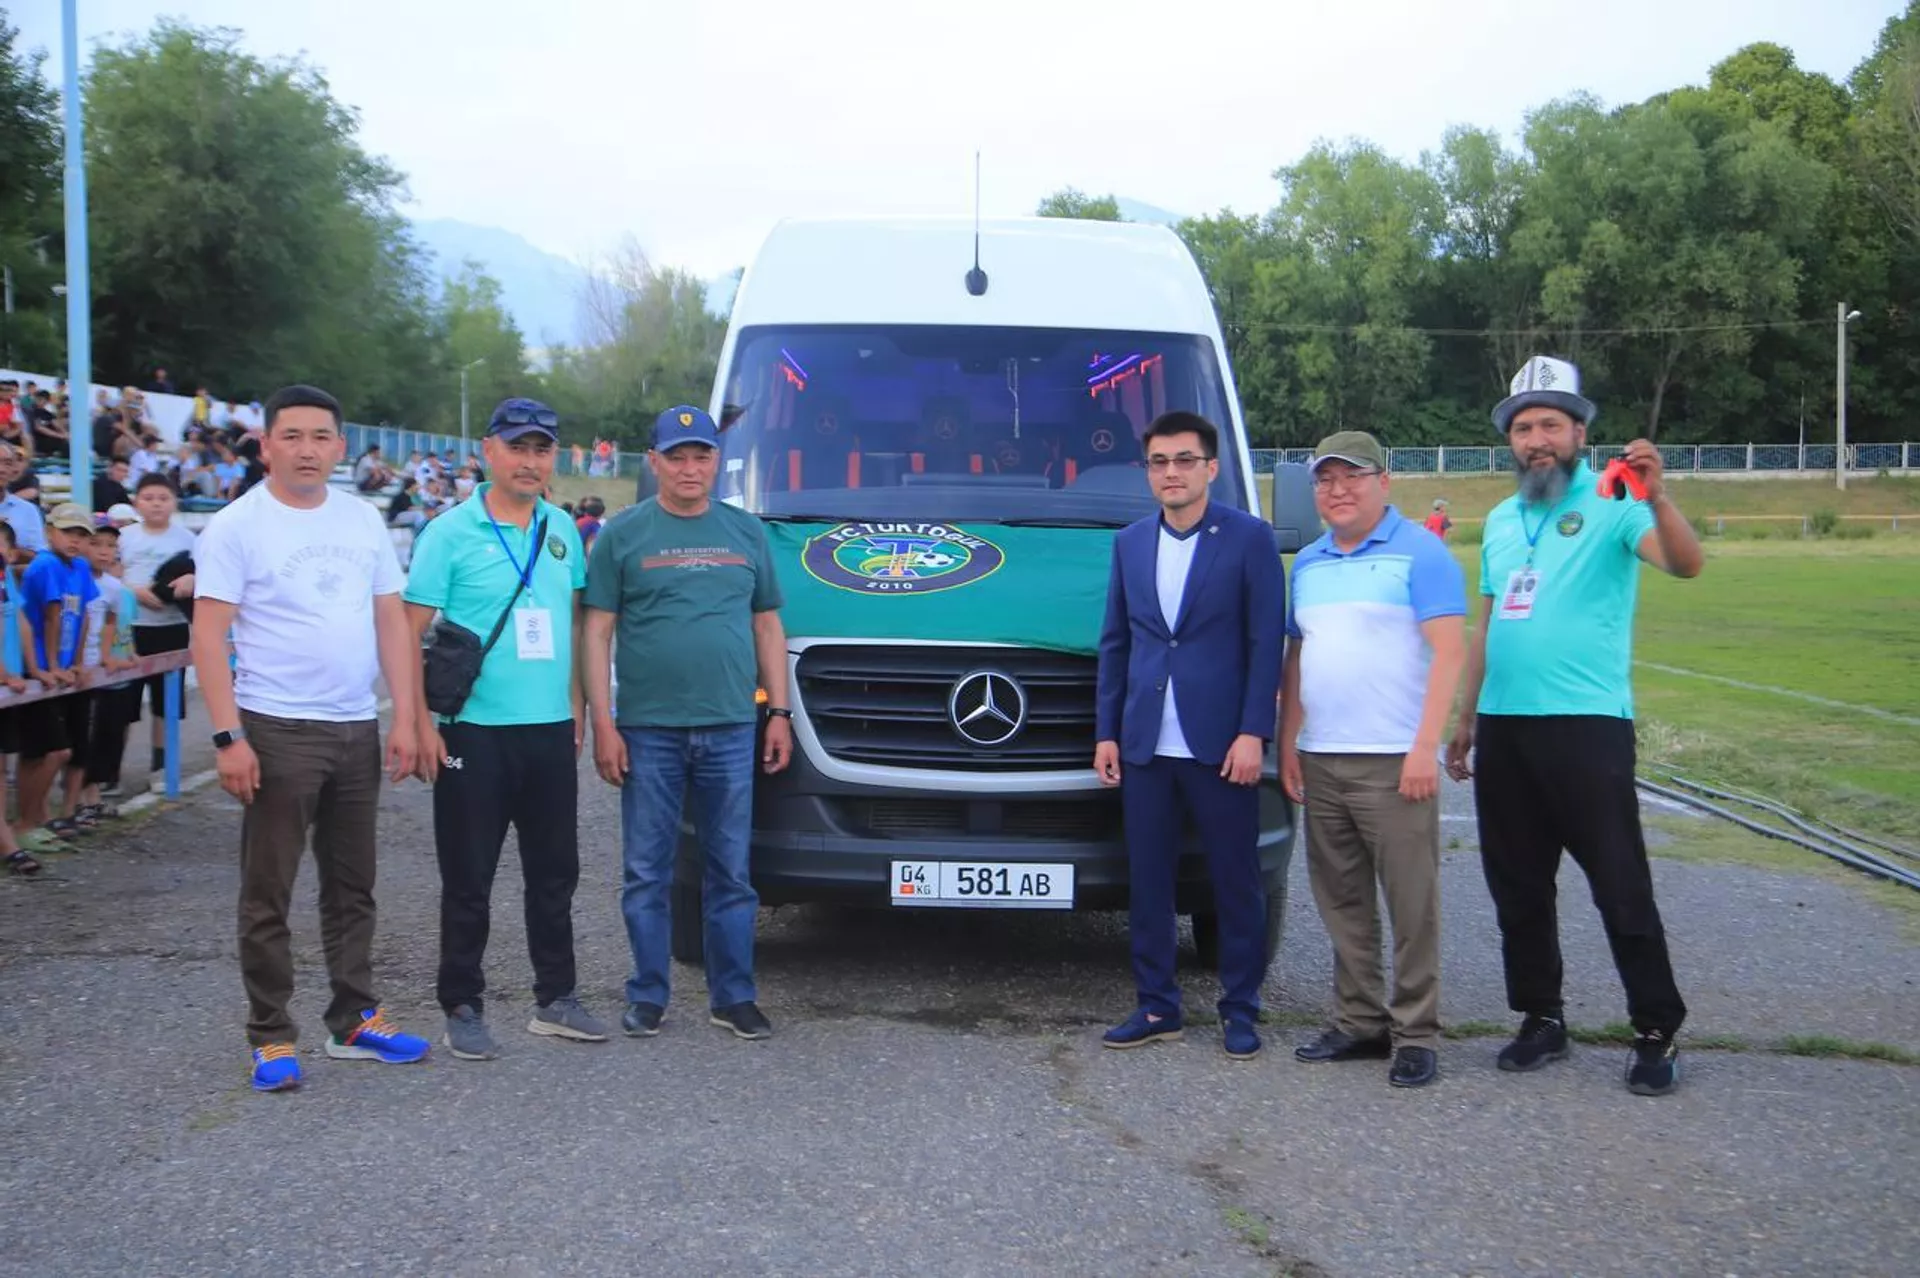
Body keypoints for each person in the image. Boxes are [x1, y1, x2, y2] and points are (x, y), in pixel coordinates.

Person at [1445, 355, 1705, 1098]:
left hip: (1586, 727)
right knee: (1518, 887)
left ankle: (1655, 1029)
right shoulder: (1501, 520)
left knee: (1619, 884)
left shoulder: (1617, 501)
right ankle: (1541, 1017)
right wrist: (1466, 717)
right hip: (1506, 727)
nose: (1537, 440)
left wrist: (1659, 499)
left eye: (1550, 425)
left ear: (1579, 433)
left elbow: (1686, 564)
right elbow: (1488, 621)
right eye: (1523, 428)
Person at [189, 383, 427, 1094]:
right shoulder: (236, 526)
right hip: (275, 726)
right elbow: (208, 635)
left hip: (354, 725)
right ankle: (270, 1034)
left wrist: (405, 716)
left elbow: (390, 622)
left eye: (320, 436)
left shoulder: (361, 519)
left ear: (339, 447)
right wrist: (228, 736)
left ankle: (354, 1019)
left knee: (353, 885)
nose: (306, 449)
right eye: (291, 436)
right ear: (266, 445)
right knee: (269, 891)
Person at [405, 397, 605, 1060]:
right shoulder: (449, 532)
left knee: (555, 874)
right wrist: (418, 722)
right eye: (517, 447)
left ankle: (557, 999)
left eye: (541, 449)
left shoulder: (561, 527)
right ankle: (462, 1003)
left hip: (548, 731)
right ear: (488, 451)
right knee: (470, 877)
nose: (530, 461)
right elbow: (407, 632)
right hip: (473, 731)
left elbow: (573, 623)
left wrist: (578, 710)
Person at [585, 405, 792, 1042]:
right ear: (654, 462)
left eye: (701, 456)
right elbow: (596, 631)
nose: (689, 468)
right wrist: (603, 724)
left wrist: (779, 713)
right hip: (648, 729)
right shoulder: (623, 534)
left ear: (715, 462)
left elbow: (767, 625)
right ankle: (648, 994)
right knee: (647, 872)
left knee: (730, 871)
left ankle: (734, 996)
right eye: (675, 457)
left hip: (731, 726)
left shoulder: (745, 531)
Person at [1093, 410, 1286, 1060]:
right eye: (1159, 462)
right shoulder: (1130, 543)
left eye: (1184, 460)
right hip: (1146, 747)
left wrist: (1253, 731)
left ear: (1210, 467)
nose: (1171, 472)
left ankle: (1241, 1009)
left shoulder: (1249, 539)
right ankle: (1157, 1006)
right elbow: (1117, 644)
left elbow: (1265, 643)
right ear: (1147, 472)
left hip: (1221, 746)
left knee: (1235, 881)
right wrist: (1107, 732)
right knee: (1148, 882)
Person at [1279, 431, 1466, 1089]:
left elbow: (1449, 652)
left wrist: (1425, 747)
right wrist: (1288, 741)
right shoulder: (1308, 562)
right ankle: (1360, 1020)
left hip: (1394, 761)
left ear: (1383, 482)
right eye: (1325, 479)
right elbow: (1298, 656)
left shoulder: (1421, 551)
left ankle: (1416, 1032)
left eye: (1351, 477)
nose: (1338, 490)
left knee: (1412, 904)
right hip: (1323, 756)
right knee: (1342, 900)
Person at [16, 504, 103, 841]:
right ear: (50, 532)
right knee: (50, 750)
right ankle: (27, 820)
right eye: (68, 533)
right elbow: (51, 617)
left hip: (64, 667)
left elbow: (83, 616)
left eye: (81, 535)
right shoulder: (45, 564)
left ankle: (38, 818)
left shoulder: (79, 566)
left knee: (49, 750)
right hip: (38, 666)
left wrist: (76, 662)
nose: (74, 541)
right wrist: (50, 667)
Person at [121, 473, 197, 779]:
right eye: (148, 498)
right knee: (122, 705)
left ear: (174, 502)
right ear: (136, 502)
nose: (156, 504)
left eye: (163, 498)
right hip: (129, 628)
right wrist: (134, 592)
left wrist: (190, 580)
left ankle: (162, 769)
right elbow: (109, 575)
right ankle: (110, 771)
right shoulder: (125, 537)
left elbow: (202, 575)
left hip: (171, 627)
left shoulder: (188, 539)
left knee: (166, 705)